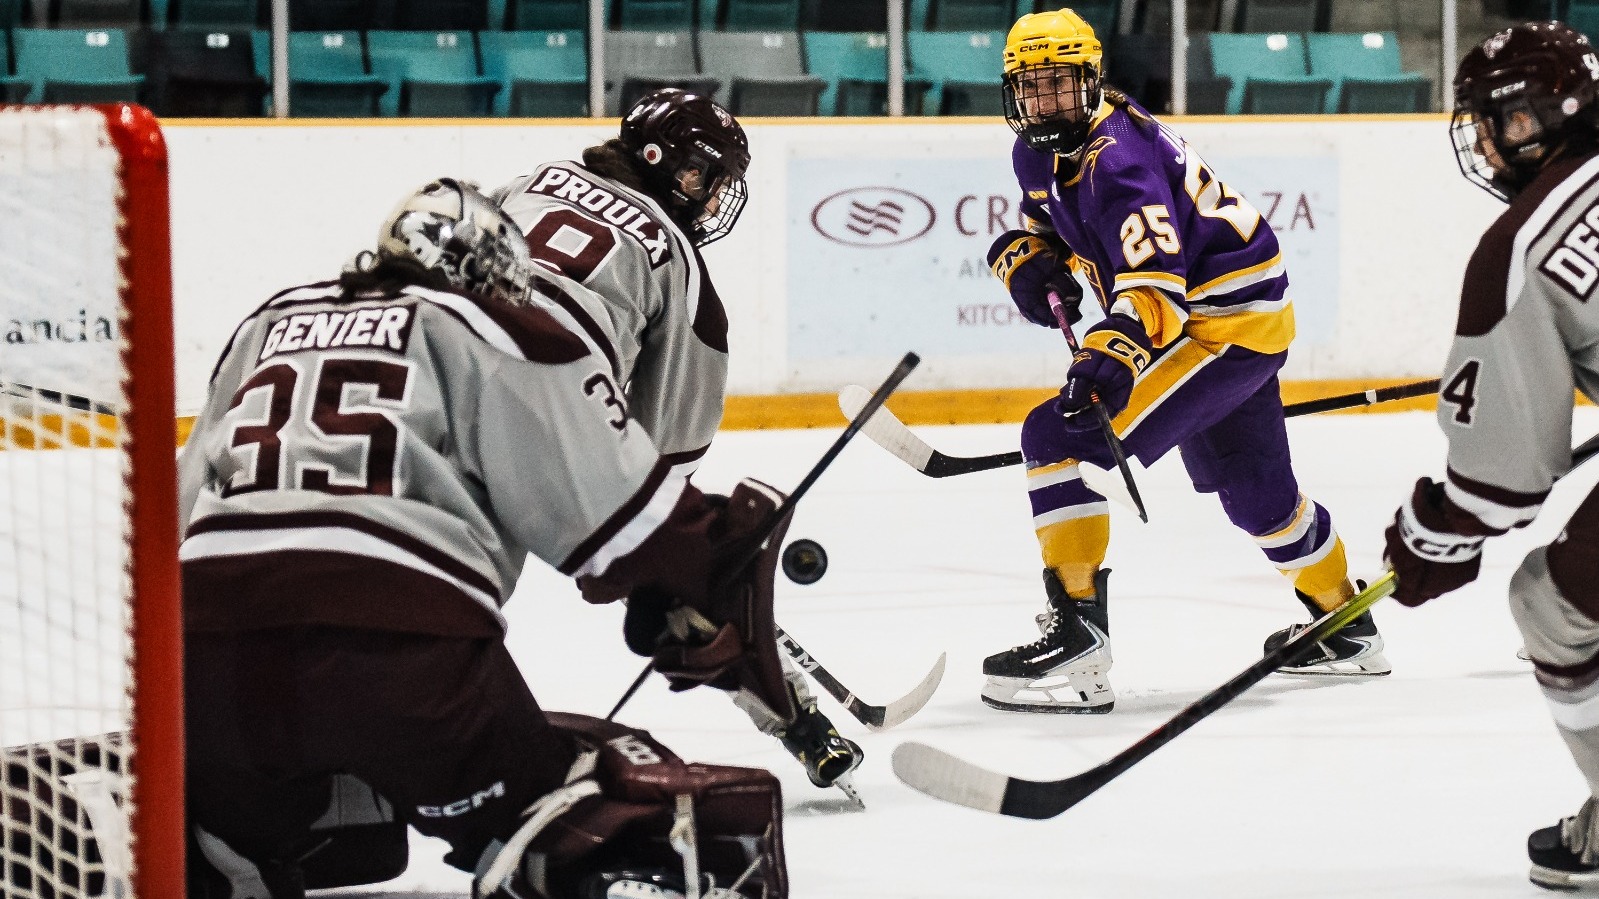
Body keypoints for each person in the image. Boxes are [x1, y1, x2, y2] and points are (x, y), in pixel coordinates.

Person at [178, 178, 794, 898]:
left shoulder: (269, 321)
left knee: (247, 829)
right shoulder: (500, 329)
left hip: (208, 660)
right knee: (574, 804)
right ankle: (534, 837)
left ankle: (227, 841)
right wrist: (713, 550)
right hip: (401, 664)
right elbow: (614, 514)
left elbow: (176, 511)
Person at [980, 7, 1388, 714]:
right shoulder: (1038, 153)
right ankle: (1346, 629)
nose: (1047, 101)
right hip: (1240, 319)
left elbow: (1154, 288)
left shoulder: (1121, 163)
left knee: (1055, 434)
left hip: (1214, 327)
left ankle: (1078, 639)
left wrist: (1112, 355)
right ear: (1015, 92)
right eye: (1033, 87)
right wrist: (1027, 257)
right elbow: (1043, 220)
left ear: (1091, 82)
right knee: (1259, 496)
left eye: (1062, 85)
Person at [491, 89, 864, 792]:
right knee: (692, 565)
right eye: (705, 176)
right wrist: (654, 562)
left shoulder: (530, 181)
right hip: (539, 412)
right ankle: (795, 719)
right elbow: (663, 459)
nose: (712, 196)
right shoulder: (679, 265)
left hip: (418, 368)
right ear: (662, 162)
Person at [1382, 21, 1599, 892]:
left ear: (1547, 114)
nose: (1483, 143)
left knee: (1552, 604)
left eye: (1494, 122)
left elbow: (1501, 486)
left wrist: (1431, 534)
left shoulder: (1517, 249)